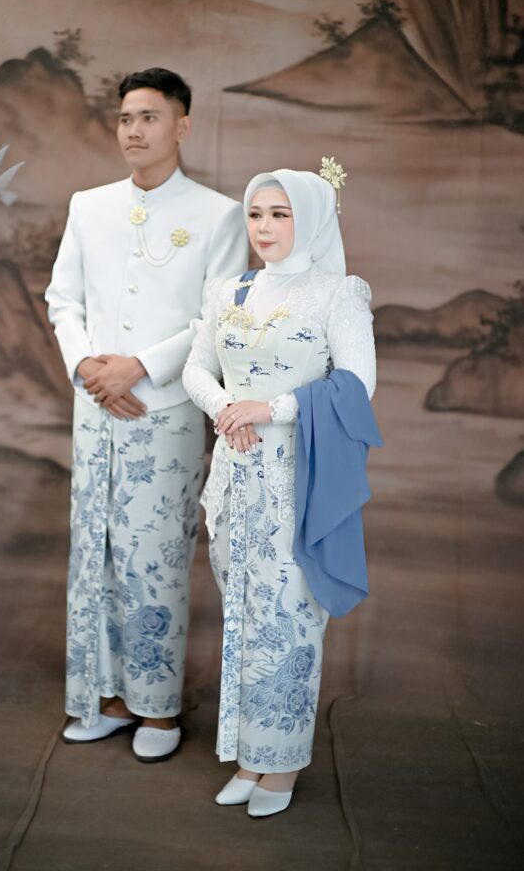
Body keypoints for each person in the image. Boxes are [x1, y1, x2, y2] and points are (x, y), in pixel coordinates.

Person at [45, 68, 247, 763]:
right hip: (94, 408)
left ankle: (157, 708)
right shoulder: (89, 206)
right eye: (126, 117)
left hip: (164, 412)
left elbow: (216, 320)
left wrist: (138, 366)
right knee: (94, 553)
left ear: (181, 126)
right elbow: (63, 300)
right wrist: (87, 366)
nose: (134, 130)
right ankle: (103, 699)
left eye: (150, 117)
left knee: (155, 557)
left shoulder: (220, 214)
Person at [182, 166, 378, 815]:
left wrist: (269, 409)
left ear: (312, 219)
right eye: (256, 214)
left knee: (289, 616)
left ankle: (283, 763)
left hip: (297, 477)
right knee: (242, 611)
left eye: (280, 214)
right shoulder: (229, 290)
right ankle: (249, 756)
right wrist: (226, 407)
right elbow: (196, 368)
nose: (263, 227)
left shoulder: (337, 295)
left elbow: (358, 384)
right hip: (233, 476)